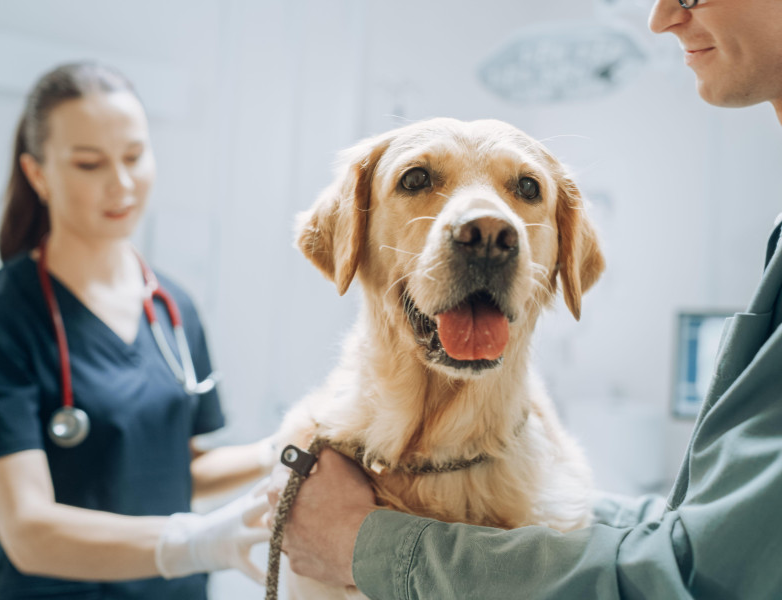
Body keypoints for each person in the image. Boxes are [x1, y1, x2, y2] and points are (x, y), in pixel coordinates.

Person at [267, 0, 782, 597]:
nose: (487, 224)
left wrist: (360, 542)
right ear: (353, 241)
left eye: (525, 191)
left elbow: (709, 579)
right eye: (417, 181)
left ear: (561, 257)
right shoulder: (314, 459)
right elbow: (712, 537)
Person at [0, 63, 273, 599]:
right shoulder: (4, 317)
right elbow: (28, 531)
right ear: (38, 173)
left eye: (135, 157)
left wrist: (280, 450)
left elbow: (180, 467)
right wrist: (194, 542)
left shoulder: (172, 306)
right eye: (89, 164)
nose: (121, 184)